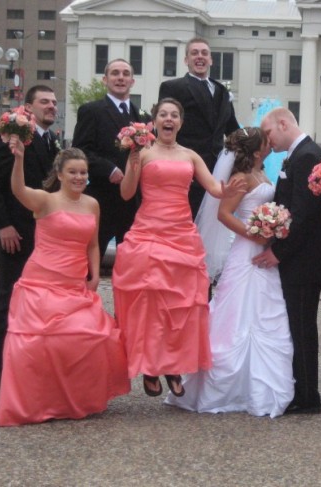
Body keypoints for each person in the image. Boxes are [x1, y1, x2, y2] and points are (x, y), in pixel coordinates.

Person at [111, 98, 245, 398]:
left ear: (180, 122)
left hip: (181, 235)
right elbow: (126, 193)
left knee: (180, 307)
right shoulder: (142, 152)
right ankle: (150, 366)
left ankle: (173, 365)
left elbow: (213, 187)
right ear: (154, 121)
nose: (168, 119)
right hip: (148, 232)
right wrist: (132, 165)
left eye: (174, 115)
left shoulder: (190, 155)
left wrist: (230, 190)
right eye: (163, 115)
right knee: (149, 305)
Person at [0, 141, 130, 426]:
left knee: (96, 337)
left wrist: (94, 275)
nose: (79, 177)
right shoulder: (45, 201)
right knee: (38, 347)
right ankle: (38, 403)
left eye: (83, 172)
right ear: (60, 174)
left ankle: (74, 400)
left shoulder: (92, 204)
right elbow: (18, 189)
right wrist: (18, 159)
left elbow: (93, 244)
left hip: (74, 284)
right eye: (73, 172)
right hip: (41, 284)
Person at [165, 127, 294, 418]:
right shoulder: (241, 178)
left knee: (264, 311)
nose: (270, 142)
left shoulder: (261, 174)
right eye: (266, 140)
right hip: (246, 251)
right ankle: (226, 385)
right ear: (257, 148)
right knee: (236, 314)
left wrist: (273, 228)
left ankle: (255, 386)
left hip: (262, 250)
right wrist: (254, 233)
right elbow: (223, 214)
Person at [0, 85, 59, 399]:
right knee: (8, 306)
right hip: (18, 236)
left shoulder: (50, 139)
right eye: (44, 102)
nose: (51, 106)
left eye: (53, 102)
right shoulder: (13, 136)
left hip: (44, 239)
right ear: (28, 107)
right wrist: (3, 225)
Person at [253, 108, 321, 414]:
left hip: (304, 260)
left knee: (301, 327)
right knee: (298, 325)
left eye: (269, 132)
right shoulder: (300, 154)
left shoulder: (306, 157)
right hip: (303, 259)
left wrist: (278, 252)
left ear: (283, 123)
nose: (267, 140)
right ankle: (302, 389)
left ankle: (307, 396)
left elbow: (304, 214)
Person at [72, 58, 147, 259]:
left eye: (125, 74)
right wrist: (109, 169)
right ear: (105, 79)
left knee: (130, 262)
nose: (120, 78)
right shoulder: (91, 111)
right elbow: (80, 151)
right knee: (89, 260)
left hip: (132, 204)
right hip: (101, 199)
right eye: (115, 73)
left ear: (132, 81)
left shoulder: (142, 116)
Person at [158, 37, 240, 219]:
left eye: (204, 53)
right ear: (186, 60)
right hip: (185, 168)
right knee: (186, 219)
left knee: (210, 221)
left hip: (217, 169)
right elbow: (165, 126)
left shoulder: (222, 91)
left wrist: (252, 150)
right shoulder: (173, 87)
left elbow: (232, 128)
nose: (200, 57)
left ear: (211, 60)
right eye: (194, 53)